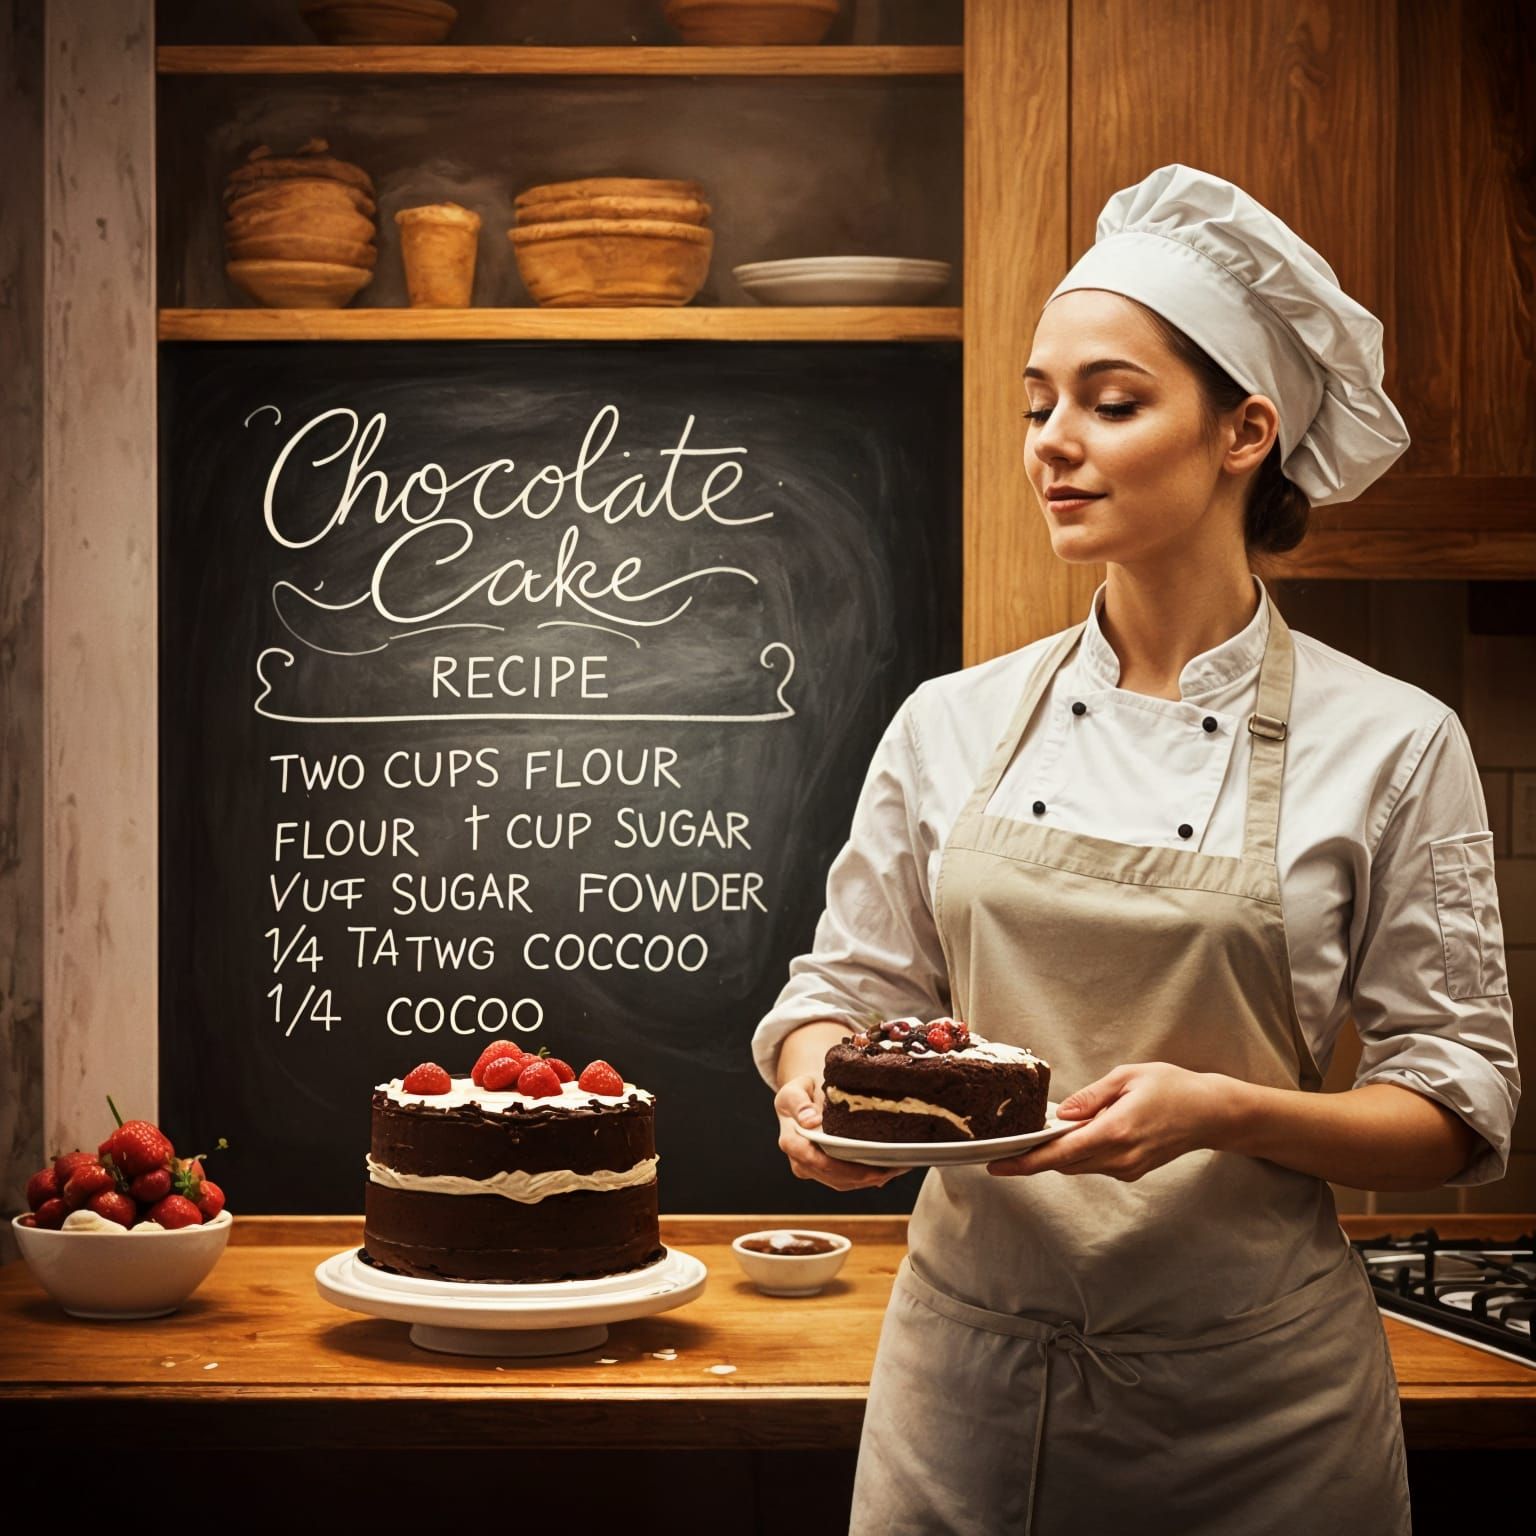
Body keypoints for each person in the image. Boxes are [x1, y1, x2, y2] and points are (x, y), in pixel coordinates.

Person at [751, 164, 1520, 1536]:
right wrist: (819, 1099)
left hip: (1260, 1421)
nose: (1053, 440)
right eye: (1038, 403)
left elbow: (1457, 1108)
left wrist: (1224, 1113)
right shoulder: (952, 721)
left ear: (1244, 432)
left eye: (1110, 403)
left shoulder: (1394, 744)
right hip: (962, 1403)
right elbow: (839, 997)